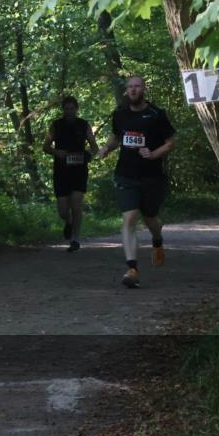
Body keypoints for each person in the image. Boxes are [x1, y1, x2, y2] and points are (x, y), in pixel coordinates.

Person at [96, 76, 175, 288]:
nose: (133, 90)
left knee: (151, 219)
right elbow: (116, 137)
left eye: (137, 86)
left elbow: (170, 143)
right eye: (130, 87)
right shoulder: (120, 114)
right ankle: (132, 268)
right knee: (129, 218)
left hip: (152, 176)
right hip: (126, 175)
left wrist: (153, 153)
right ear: (126, 91)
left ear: (144, 89)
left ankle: (157, 239)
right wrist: (106, 148)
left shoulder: (157, 115)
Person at [43, 96, 99, 253]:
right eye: (66, 109)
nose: (69, 111)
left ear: (76, 109)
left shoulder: (84, 125)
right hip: (61, 170)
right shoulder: (56, 125)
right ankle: (68, 222)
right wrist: (56, 152)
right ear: (63, 110)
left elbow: (94, 147)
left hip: (79, 169)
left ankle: (75, 239)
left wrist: (88, 155)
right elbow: (45, 147)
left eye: (71, 108)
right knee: (62, 209)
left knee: (76, 205)